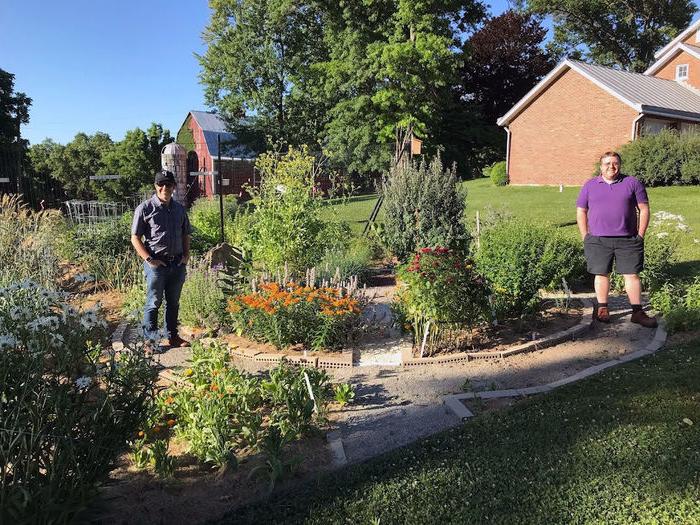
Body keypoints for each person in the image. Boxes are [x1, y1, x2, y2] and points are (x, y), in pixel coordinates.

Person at [576, 151, 657, 328]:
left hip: (628, 239)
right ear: (600, 166)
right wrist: (585, 235)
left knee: (632, 275)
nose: (611, 166)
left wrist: (640, 234)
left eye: (615, 163)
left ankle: (637, 312)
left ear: (619, 165)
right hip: (598, 240)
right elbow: (581, 210)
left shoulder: (632, 183)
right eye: (607, 163)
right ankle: (603, 309)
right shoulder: (590, 185)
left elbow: (644, 209)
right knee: (601, 274)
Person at [131, 170, 192, 348]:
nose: (165, 187)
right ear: (156, 186)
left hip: (177, 263)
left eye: (168, 184)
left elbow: (185, 234)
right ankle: (150, 341)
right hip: (156, 264)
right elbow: (135, 237)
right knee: (153, 302)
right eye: (161, 184)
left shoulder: (179, 209)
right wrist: (149, 259)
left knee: (173, 302)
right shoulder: (145, 208)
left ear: (174, 187)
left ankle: (172, 337)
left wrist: (186, 256)